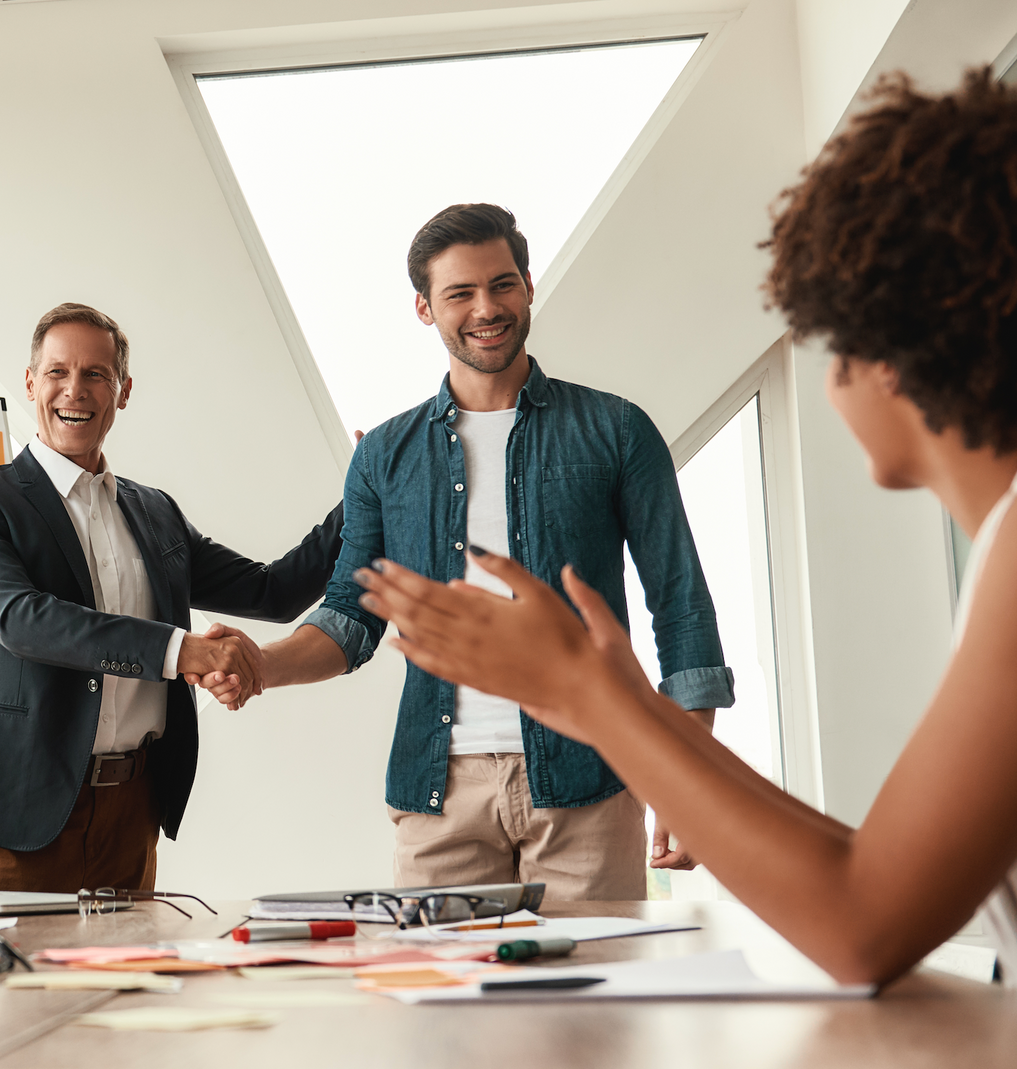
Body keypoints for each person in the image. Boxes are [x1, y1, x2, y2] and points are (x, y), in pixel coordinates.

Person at [355, 69, 1017, 983]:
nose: (830, 380)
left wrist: (593, 698)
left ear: (904, 352)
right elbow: (873, 870)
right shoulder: (1002, 555)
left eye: (835, 341)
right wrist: (631, 718)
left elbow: (864, 924)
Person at [204, 204, 734, 900]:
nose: (487, 307)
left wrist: (687, 782)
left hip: (590, 781)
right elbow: (350, 618)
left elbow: (681, 604)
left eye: (502, 284)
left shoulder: (616, 431)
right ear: (425, 308)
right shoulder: (383, 457)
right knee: (442, 1005)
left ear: (529, 286)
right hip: (439, 791)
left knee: (593, 1008)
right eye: (460, 293)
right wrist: (263, 666)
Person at [0, 302, 344, 892]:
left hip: (131, 811)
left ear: (122, 391)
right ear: (30, 383)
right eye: (57, 372)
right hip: (13, 812)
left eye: (95, 374)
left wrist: (364, 495)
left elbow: (273, 591)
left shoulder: (155, 512)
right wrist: (185, 652)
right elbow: (21, 620)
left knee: (125, 983)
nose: (74, 390)